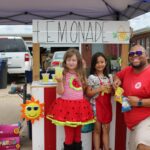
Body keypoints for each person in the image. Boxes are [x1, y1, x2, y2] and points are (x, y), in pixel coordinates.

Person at [46, 48, 95, 150]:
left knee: (78, 135)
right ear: (65, 62)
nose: (71, 62)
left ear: (78, 62)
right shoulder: (63, 74)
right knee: (69, 135)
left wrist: (84, 70)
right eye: (69, 60)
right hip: (67, 107)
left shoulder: (81, 74)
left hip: (80, 107)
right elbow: (60, 92)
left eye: (74, 60)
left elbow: (84, 88)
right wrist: (59, 81)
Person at [113, 44, 150, 150]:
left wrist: (140, 102)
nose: (134, 56)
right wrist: (117, 80)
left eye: (139, 53)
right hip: (133, 125)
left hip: (146, 120)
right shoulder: (127, 70)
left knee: (143, 146)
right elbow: (117, 76)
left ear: (147, 56)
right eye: (131, 54)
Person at [86, 52, 112, 150]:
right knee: (97, 130)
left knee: (106, 130)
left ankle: (106, 148)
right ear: (93, 64)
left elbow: (112, 93)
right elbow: (88, 93)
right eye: (97, 62)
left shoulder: (109, 77)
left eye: (102, 62)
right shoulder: (92, 77)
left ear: (106, 63)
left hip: (107, 107)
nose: (100, 64)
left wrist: (112, 90)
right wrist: (99, 89)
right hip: (96, 106)